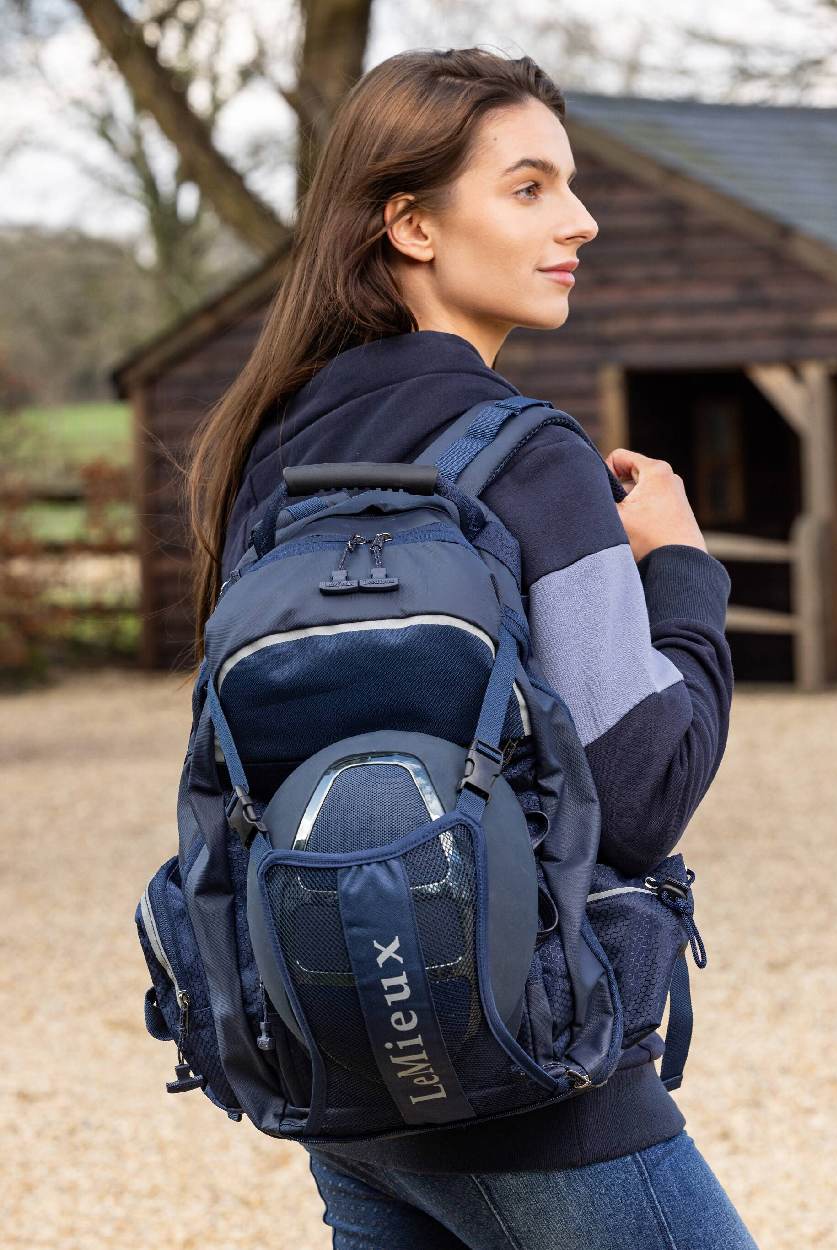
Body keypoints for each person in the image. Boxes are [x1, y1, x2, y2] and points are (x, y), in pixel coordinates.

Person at [186, 45, 759, 1250]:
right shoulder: (532, 459)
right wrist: (682, 569)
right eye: (530, 187)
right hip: (539, 1089)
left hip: (343, 1084)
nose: (582, 221)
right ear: (411, 224)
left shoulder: (264, 456)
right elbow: (643, 785)